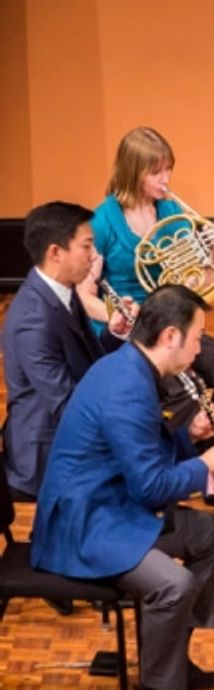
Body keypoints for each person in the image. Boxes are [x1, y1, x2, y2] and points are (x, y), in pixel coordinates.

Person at [30, 285, 214, 690]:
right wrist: (206, 464)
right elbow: (149, 485)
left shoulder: (134, 367)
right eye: (197, 338)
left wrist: (190, 435)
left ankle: (173, 657)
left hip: (112, 503)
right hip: (84, 525)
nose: (200, 349)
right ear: (170, 336)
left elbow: (145, 452)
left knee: (213, 534)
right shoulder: (126, 388)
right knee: (173, 585)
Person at [80, 126, 214, 507]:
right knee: (184, 394)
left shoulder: (171, 211)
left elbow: (199, 279)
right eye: (156, 172)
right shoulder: (104, 222)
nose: (166, 180)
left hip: (174, 322)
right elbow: (84, 295)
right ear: (133, 172)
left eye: (168, 170)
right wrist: (117, 314)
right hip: (133, 334)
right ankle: (191, 471)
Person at [3, 202, 133, 500]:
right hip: (48, 453)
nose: (94, 255)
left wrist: (115, 332)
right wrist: (128, 422)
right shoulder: (33, 320)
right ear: (55, 253)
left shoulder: (63, 291)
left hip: (72, 423)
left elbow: (88, 362)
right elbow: (66, 405)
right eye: (86, 246)